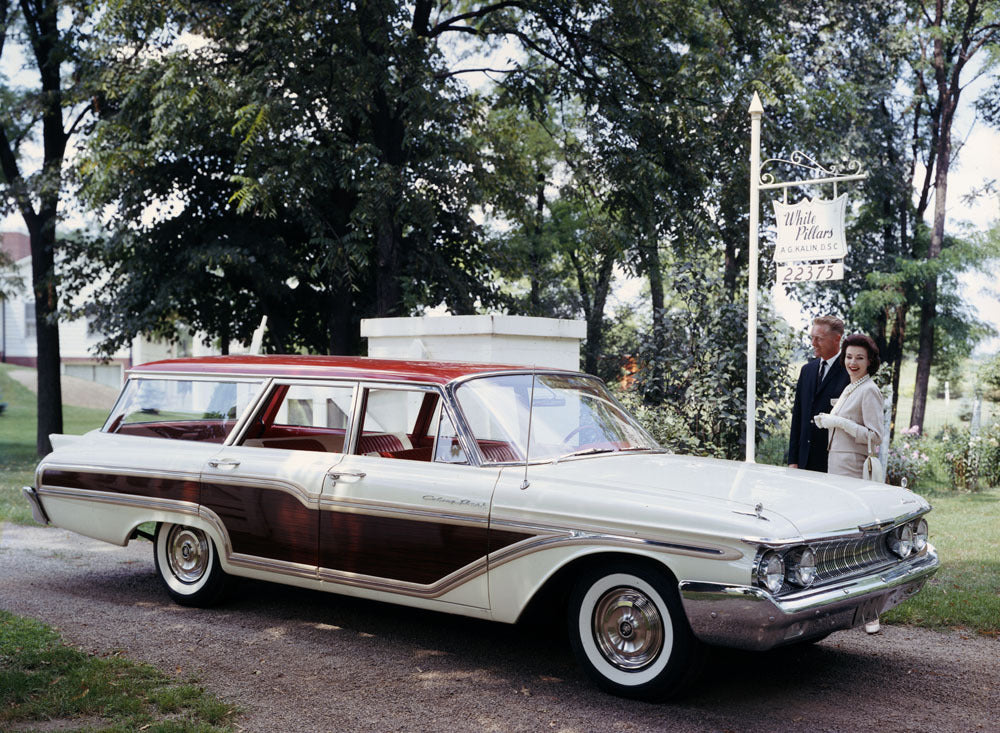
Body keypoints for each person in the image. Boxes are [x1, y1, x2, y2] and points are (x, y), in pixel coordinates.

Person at [813, 333, 885, 479]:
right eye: (849, 356)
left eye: (860, 358)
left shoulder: (869, 389)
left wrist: (842, 423)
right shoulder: (850, 387)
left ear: (869, 361)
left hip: (852, 466)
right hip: (835, 462)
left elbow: (876, 436)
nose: (852, 363)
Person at [788, 316, 850, 472]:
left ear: (837, 339)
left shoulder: (849, 373)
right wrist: (793, 460)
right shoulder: (807, 370)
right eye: (812, 338)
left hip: (833, 463)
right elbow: (798, 417)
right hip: (803, 462)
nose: (813, 343)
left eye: (819, 339)